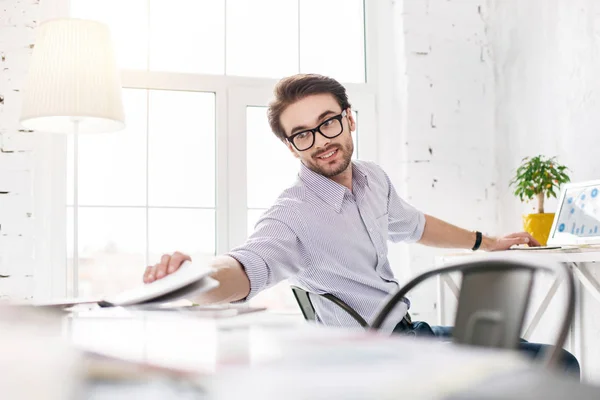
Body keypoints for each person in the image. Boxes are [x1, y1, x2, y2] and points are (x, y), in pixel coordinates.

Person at [143, 74, 579, 376]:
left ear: (348, 118)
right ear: (291, 147)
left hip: (410, 333)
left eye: (328, 122)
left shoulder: (373, 180)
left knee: (554, 358)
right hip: (377, 355)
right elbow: (245, 266)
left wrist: (489, 242)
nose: (321, 141)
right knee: (556, 366)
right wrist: (194, 278)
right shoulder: (292, 214)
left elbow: (416, 225)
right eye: (303, 134)